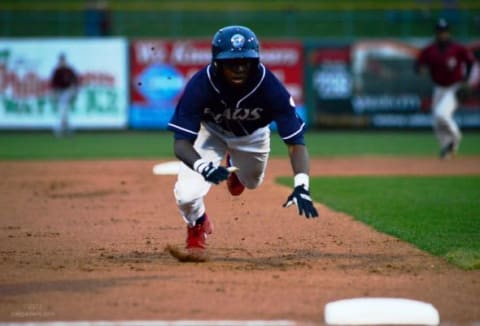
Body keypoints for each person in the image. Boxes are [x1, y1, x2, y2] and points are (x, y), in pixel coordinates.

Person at [167, 25, 318, 254]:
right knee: (187, 195)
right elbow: (181, 143)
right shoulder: (201, 84)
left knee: (252, 183)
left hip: (252, 136)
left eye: (245, 62)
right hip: (211, 133)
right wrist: (203, 167)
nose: (238, 68)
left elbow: (296, 143)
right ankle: (197, 224)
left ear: (255, 62)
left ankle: (234, 169)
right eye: (231, 62)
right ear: (217, 63)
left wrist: (302, 185)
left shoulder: (270, 87)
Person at [414, 18, 475, 159]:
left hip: (454, 87)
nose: (442, 34)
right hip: (439, 88)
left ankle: (456, 137)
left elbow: (470, 63)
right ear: (436, 33)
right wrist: (419, 69)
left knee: (442, 113)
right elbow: (417, 65)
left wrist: (466, 80)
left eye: (445, 31)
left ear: (449, 33)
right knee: (436, 121)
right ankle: (447, 148)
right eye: (440, 31)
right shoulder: (429, 50)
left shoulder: (458, 48)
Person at [50, 53, 79, 137]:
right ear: (59, 61)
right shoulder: (57, 71)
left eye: (63, 60)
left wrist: (74, 90)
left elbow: (75, 81)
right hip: (60, 91)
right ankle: (64, 129)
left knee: (63, 110)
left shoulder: (69, 70)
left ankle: (61, 129)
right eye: (61, 60)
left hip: (67, 91)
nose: (62, 62)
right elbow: (53, 84)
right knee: (63, 111)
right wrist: (54, 93)